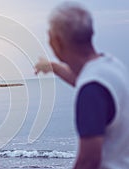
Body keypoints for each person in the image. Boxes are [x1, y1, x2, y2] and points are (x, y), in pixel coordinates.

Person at [35, 1, 129, 169]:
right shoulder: (111, 65)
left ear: (56, 41)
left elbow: (89, 161)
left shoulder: (91, 91)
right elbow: (82, 79)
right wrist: (53, 67)